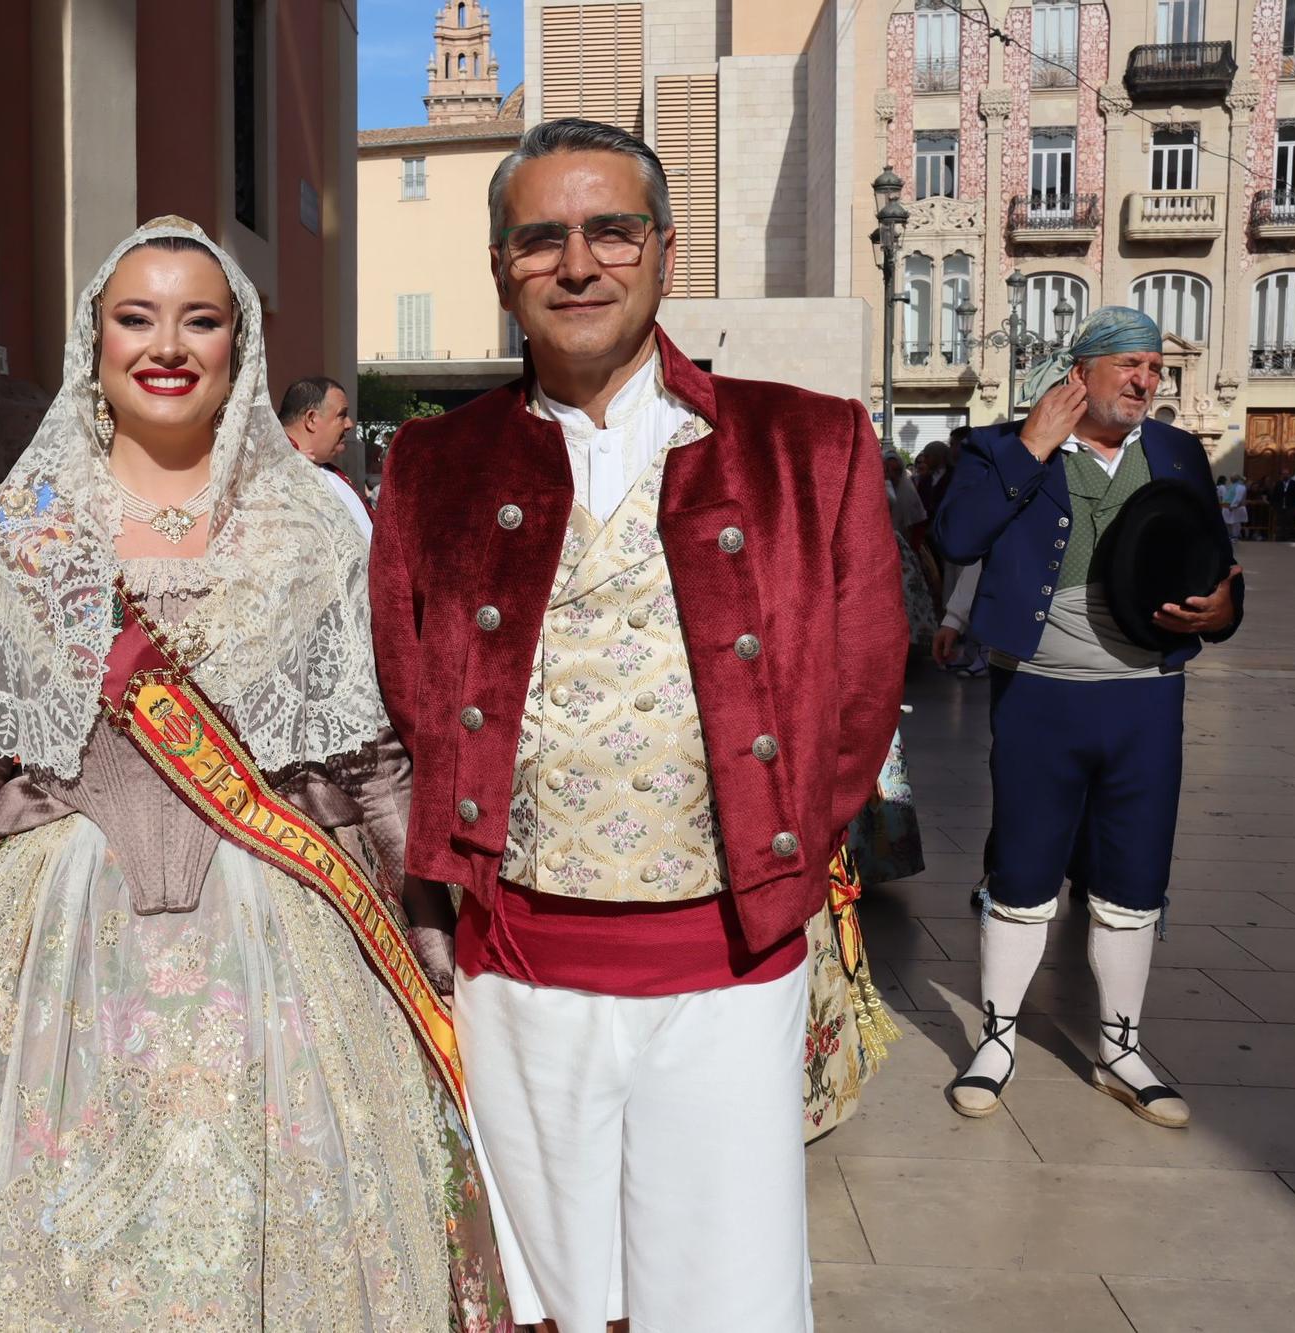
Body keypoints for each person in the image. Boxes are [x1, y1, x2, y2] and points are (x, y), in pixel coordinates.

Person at [0, 218, 508, 1330]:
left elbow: (371, 764)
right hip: (48, 946)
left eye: (200, 318)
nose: (166, 344)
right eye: (135, 317)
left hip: (277, 937)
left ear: (242, 345)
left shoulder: (309, 530)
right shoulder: (25, 530)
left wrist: (439, 938)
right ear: (96, 341)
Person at [369, 117, 907, 1332]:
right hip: (517, 964)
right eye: (538, 239)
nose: (576, 263)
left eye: (610, 230)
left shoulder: (804, 442)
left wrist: (772, 848)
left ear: (662, 253)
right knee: (539, 1291)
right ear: (499, 269)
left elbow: (863, 685)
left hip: (727, 962)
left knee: (718, 1291)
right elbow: (408, 684)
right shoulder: (428, 464)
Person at [933, 307, 1244, 1131]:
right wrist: (1032, 446)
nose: (1147, 381)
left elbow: (1220, 568)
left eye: (1155, 367)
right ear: (1084, 371)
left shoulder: (1176, 451)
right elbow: (957, 534)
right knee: (1025, 868)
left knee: (1135, 874)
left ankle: (1121, 1047)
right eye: (1130, 365)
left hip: (1148, 696)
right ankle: (995, 1040)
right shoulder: (1003, 444)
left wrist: (1219, 607)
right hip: (1039, 691)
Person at [279, 374, 372, 536]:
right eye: (342, 415)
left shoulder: (331, 471)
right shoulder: (272, 473)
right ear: (311, 419)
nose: (350, 424)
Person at [885, 449, 942, 642]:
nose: (890, 474)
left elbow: (914, 523)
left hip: (903, 547)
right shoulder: (875, 487)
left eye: (895, 470)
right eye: (887, 469)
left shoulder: (906, 490)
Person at [1225, 474, 1248, 541]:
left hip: (1236, 507)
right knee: (1229, 522)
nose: (1231, 479)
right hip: (1229, 506)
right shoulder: (1231, 486)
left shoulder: (1240, 487)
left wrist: (1233, 506)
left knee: (1235, 522)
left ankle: (1235, 537)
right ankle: (1231, 536)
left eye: (1232, 478)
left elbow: (1238, 498)